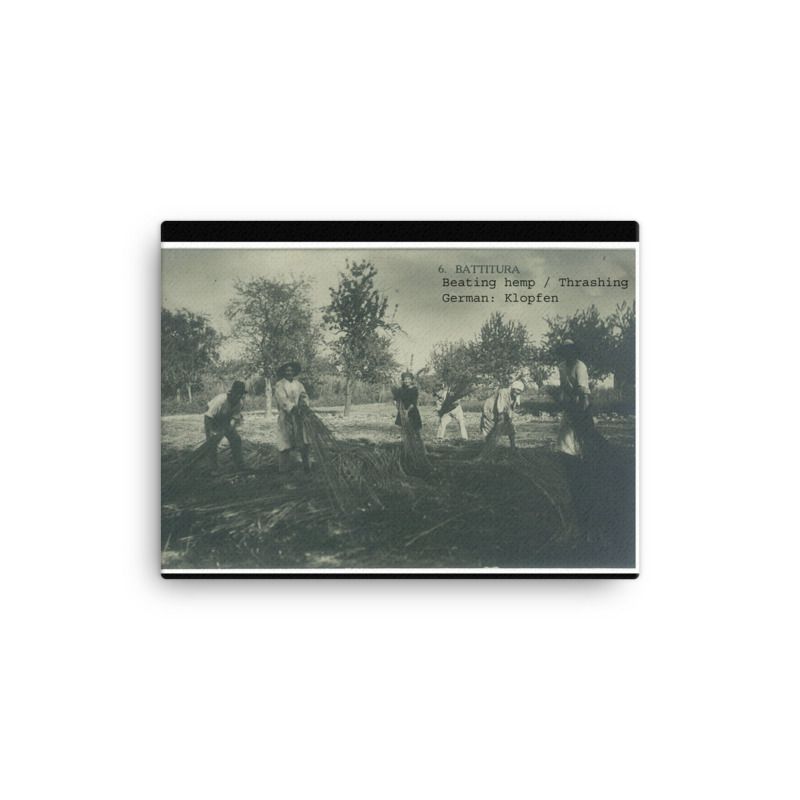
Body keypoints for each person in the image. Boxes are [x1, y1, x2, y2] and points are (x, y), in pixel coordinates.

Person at [556, 339, 595, 458]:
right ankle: (567, 454)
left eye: (570, 351)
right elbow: (563, 385)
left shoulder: (580, 366)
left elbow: (582, 389)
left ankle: (588, 455)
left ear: (574, 352)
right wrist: (563, 400)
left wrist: (582, 408)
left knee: (583, 429)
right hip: (569, 401)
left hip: (582, 400)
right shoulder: (562, 366)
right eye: (565, 352)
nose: (568, 354)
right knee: (565, 430)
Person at [274, 361, 311, 474]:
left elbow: (304, 396)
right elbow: (282, 400)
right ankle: (284, 469)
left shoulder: (299, 385)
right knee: (285, 441)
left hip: (299, 416)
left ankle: (306, 467)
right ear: (284, 372)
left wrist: (304, 405)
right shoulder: (280, 385)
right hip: (286, 416)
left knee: (304, 440)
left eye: (291, 370)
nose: (289, 372)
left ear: (294, 372)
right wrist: (292, 408)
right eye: (287, 370)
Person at [204, 380, 247, 471]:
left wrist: (229, 428)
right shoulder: (221, 400)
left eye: (241, 394)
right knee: (212, 443)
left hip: (225, 421)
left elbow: (234, 418)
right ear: (232, 392)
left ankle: (239, 465)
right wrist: (210, 431)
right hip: (212, 420)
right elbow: (208, 416)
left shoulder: (240, 403)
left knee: (236, 440)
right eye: (237, 393)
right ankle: (213, 468)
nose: (239, 396)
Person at [480, 380, 525, 448]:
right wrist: (501, 418)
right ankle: (488, 448)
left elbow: (511, 408)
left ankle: (513, 447)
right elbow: (500, 405)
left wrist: (509, 418)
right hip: (490, 410)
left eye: (520, 391)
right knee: (491, 430)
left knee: (511, 429)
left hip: (500, 412)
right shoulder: (503, 392)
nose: (518, 392)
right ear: (513, 388)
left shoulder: (514, 396)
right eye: (517, 390)